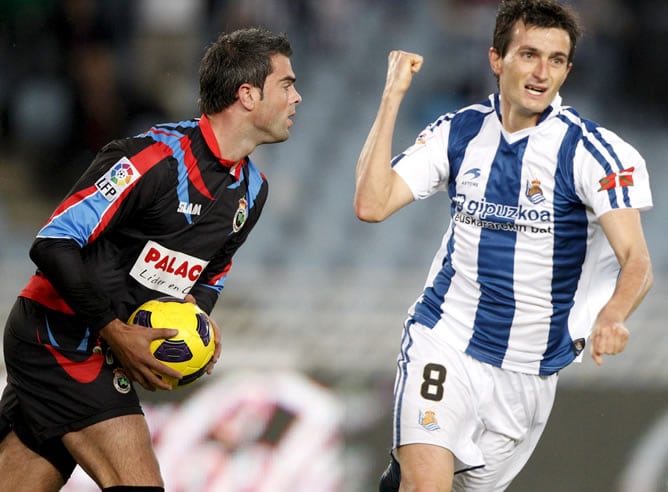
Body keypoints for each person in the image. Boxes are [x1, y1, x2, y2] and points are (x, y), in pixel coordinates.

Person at [354, 1, 653, 491]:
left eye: (556, 60)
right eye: (530, 55)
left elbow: (636, 261)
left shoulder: (591, 152)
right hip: (446, 339)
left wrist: (614, 315)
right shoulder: (460, 131)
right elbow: (372, 204)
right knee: (426, 485)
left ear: (568, 69)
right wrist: (392, 96)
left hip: (528, 373)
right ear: (497, 59)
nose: (541, 72)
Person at [0, 26, 301, 491]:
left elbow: (213, 272)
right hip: (58, 338)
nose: (297, 98)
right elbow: (53, 241)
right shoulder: (152, 158)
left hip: (98, 350)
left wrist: (197, 320)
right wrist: (115, 331)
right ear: (247, 94)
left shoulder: (251, 192)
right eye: (286, 84)